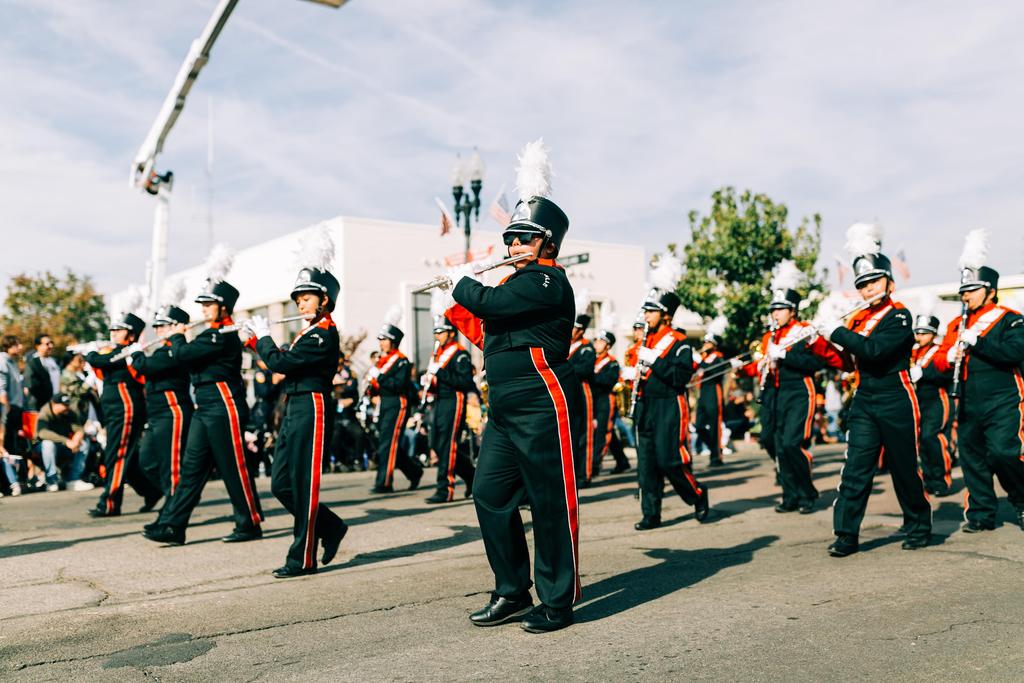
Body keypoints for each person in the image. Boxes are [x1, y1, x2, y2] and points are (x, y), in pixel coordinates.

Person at [444, 139, 582, 633]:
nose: (514, 247)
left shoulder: (548, 281)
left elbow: (494, 306)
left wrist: (464, 284)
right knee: (489, 493)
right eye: (511, 240)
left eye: (524, 239)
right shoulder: (513, 284)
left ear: (548, 244)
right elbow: (490, 332)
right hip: (505, 406)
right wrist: (453, 302)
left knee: (549, 502)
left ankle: (558, 599)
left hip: (542, 400)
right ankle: (512, 589)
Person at [818, 223, 931, 556]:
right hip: (865, 397)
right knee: (856, 467)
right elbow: (848, 363)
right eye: (863, 284)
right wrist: (821, 341)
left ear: (889, 283)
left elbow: (875, 351)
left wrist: (838, 332)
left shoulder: (900, 316)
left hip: (896, 395)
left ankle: (918, 525)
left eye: (874, 282)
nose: (868, 289)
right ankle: (846, 534)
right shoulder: (856, 320)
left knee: (903, 467)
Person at [244, 262, 348, 577]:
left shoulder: (323, 335)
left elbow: (281, 362)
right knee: (281, 483)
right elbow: (282, 361)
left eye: (307, 298)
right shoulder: (308, 332)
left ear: (325, 300)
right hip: (295, 406)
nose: (300, 304)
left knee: (303, 485)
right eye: (298, 299)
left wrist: (263, 338)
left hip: (312, 405)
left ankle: (302, 558)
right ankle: (331, 526)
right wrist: (254, 340)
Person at [144, 274, 264, 545]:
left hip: (224, 404)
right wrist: (180, 339)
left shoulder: (223, 333)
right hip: (205, 405)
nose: (204, 309)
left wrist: (177, 337)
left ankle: (249, 522)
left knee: (233, 467)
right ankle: (173, 525)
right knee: (191, 468)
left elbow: (183, 355)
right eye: (203, 304)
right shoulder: (209, 334)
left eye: (209, 304)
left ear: (223, 307)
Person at [932, 230, 1024, 532]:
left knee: (1004, 452)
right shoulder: (955, 325)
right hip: (968, 401)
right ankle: (982, 513)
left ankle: (1022, 499)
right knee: (973, 458)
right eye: (963, 290)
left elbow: (1016, 352)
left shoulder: (1010, 318)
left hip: (1003, 398)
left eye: (972, 289)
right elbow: (939, 359)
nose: (965, 295)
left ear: (990, 291)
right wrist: (949, 358)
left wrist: (979, 342)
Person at [737, 282, 843, 514]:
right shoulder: (769, 337)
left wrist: (785, 355)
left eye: (780, 309)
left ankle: (806, 493)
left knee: (792, 444)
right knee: (771, 442)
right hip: (774, 395)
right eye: (773, 309)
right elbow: (762, 366)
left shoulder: (804, 331)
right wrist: (743, 369)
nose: (775, 314)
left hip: (799, 391)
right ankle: (790, 494)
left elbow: (817, 362)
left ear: (792, 311)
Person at [633, 288, 710, 531]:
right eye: (645, 311)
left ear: (665, 314)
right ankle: (651, 514)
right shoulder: (645, 341)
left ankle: (697, 494)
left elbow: (680, 377)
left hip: (669, 404)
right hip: (646, 405)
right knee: (647, 465)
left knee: (670, 460)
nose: (645, 316)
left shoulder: (680, 342)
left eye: (651, 311)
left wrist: (654, 361)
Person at [85, 314, 162, 517]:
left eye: (119, 330)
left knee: (117, 454)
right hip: (115, 408)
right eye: (113, 330)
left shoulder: (126, 352)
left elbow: (99, 360)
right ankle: (150, 490)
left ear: (131, 335)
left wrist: (90, 352)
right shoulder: (115, 351)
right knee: (126, 455)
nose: (113, 333)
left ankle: (110, 503)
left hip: (125, 407)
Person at [129, 306, 195, 518]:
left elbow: (145, 366)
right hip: (157, 414)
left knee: (171, 465)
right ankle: (168, 496)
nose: (158, 330)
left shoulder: (176, 350)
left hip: (173, 411)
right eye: (156, 326)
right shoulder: (162, 349)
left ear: (176, 327)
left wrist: (136, 353)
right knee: (146, 460)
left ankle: (174, 509)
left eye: (163, 326)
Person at [421, 316, 476, 504]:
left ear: (451, 333)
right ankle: (472, 475)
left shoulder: (460, 354)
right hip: (440, 401)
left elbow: (465, 382)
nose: (437, 336)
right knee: (437, 444)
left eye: (441, 332)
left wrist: (440, 372)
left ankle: (445, 489)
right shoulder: (438, 354)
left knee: (447, 444)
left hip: (454, 400)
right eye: (436, 332)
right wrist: (429, 382)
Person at [367, 316, 423, 494]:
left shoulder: (401, 361)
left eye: (384, 339)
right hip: (384, 403)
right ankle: (414, 471)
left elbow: (398, 386)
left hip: (397, 403)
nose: (381, 343)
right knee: (388, 443)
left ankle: (384, 482)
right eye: (381, 340)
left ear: (393, 342)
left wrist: (379, 377)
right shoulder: (383, 360)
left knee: (388, 443)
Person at [908, 312, 953, 497]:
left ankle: (941, 480)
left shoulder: (939, 350)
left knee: (932, 438)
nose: (919, 336)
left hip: (937, 399)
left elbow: (947, 373)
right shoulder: (914, 352)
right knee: (921, 442)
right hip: (919, 401)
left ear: (933, 334)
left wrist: (925, 373)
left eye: (924, 333)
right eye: (917, 332)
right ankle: (928, 480)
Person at [34, 392, 93, 491]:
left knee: (84, 443)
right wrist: (66, 441)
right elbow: (42, 433)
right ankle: (51, 480)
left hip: (63, 446)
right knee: (48, 444)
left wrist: (77, 437)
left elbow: (79, 428)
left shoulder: (68, 412)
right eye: (64, 405)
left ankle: (73, 479)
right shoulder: (45, 412)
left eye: (67, 405)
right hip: (42, 449)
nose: (67, 407)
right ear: (54, 404)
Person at [590, 327, 629, 476]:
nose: (597, 344)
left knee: (603, 432)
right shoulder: (592, 359)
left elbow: (608, 380)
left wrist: (592, 376)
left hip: (606, 399)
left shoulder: (612, 363)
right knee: (607, 432)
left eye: (601, 341)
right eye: (596, 341)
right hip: (594, 399)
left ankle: (594, 465)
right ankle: (622, 461)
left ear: (608, 346)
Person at [567, 303, 597, 487]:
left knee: (584, 435)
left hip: (582, 390)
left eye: (575, 328)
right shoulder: (565, 345)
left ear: (581, 330)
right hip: (567, 390)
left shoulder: (586, 348)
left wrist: (566, 367)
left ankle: (584, 474)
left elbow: (585, 369)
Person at [694, 321, 729, 467]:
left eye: (708, 343)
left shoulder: (718, 357)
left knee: (714, 425)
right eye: (705, 342)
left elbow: (715, 371)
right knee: (699, 426)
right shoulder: (704, 358)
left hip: (714, 392)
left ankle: (716, 457)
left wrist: (700, 362)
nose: (705, 345)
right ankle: (715, 448)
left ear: (714, 345)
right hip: (703, 393)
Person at [1, 335, 25, 494]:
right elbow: (1, 388)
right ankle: (6, 484)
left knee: (12, 446)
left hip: (15, 408)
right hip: (7, 409)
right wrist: (6, 410)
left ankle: (10, 482)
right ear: (8, 346)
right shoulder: (2, 362)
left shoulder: (13, 362)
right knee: (5, 446)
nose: (20, 347)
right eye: (17, 344)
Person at [24, 334, 60, 411]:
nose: (51, 346)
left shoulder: (54, 361)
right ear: (38, 346)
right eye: (47, 344)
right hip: (40, 406)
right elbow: (31, 385)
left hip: (55, 404)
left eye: (51, 343)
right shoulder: (32, 363)